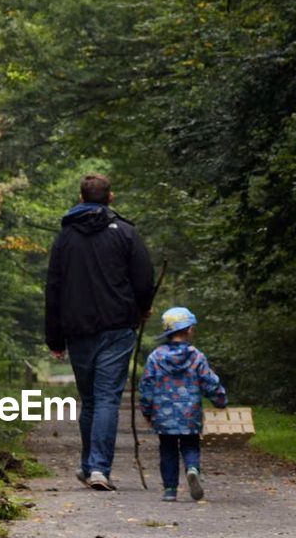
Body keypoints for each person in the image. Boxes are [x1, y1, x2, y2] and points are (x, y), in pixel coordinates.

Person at [45, 174, 154, 491]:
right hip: (117, 326)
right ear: (111, 197)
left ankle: (88, 466)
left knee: (90, 399)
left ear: (81, 198)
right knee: (107, 398)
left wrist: (54, 337)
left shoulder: (65, 238)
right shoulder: (126, 233)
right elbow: (144, 278)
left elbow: (53, 288)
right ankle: (98, 469)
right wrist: (141, 307)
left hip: (78, 329)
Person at [138, 307, 227, 501]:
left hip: (163, 415)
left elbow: (146, 386)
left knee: (167, 450)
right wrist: (220, 400)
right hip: (190, 415)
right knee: (190, 446)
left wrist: (146, 410)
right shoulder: (196, 356)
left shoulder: (156, 356)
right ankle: (192, 469)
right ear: (187, 330)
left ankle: (170, 490)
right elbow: (209, 382)